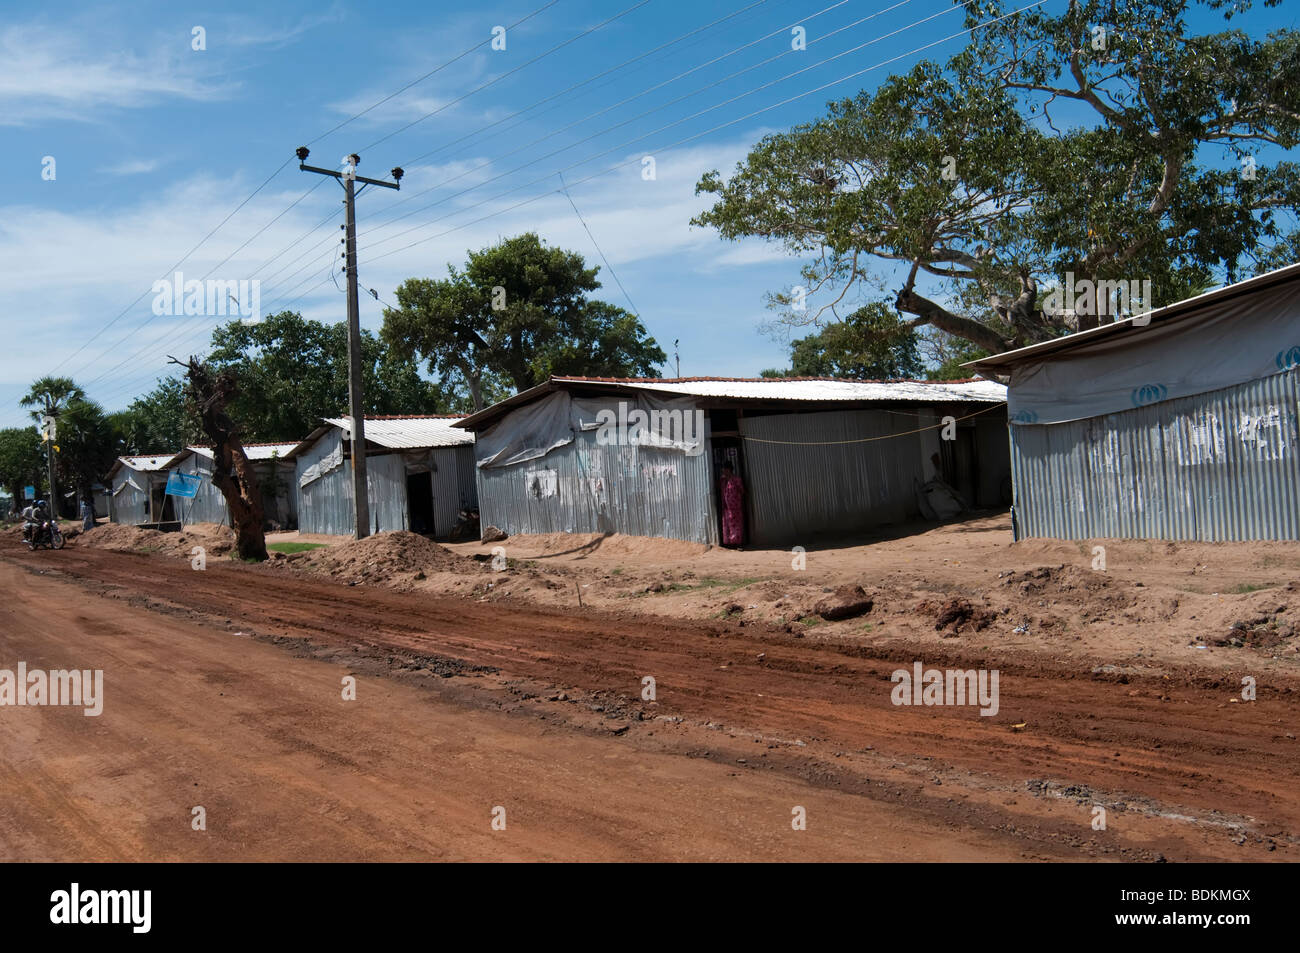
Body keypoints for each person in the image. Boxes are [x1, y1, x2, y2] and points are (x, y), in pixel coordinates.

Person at [719, 461, 745, 547]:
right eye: (723, 470)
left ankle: (738, 543)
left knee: (736, 525)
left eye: (725, 470)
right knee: (727, 525)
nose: (724, 472)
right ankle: (729, 543)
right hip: (726, 508)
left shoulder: (736, 480)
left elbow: (742, 491)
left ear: (729, 470)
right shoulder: (723, 481)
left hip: (735, 508)